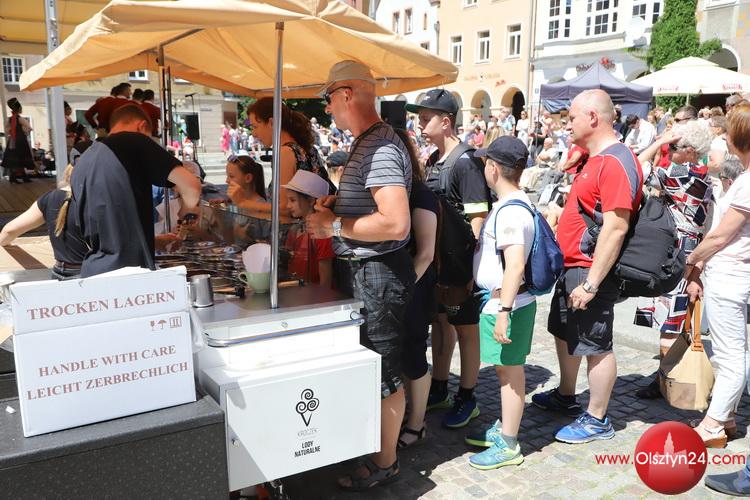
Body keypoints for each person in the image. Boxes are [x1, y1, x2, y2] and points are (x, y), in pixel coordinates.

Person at [305, 60, 415, 491]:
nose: (326, 107)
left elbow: (396, 224)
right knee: (375, 370)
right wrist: (339, 205)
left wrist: (333, 225)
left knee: (383, 373)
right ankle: (376, 452)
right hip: (369, 273)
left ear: (346, 94)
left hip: (377, 274)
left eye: (328, 98)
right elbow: (376, 209)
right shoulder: (369, 143)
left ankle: (386, 462)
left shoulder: (379, 147)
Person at [532, 89, 643, 444]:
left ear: (593, 117)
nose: (566, 126)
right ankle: (566, 395)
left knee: (595, 344)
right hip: (573, 266)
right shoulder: (596, 157)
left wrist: (592, 283)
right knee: (565, 331)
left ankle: (597, 418)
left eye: (572, 118)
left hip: (589, 268)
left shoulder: (614, 161)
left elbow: (616, 227)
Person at [406, 89, 491, 429]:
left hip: (459, 266)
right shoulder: (433, 160)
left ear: (446, 122)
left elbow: (478, 220)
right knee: (441, 326)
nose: (420, 123)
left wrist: (471, 272)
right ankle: (440, 387)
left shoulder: (466, 162)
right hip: (437, 264)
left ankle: (467, 397)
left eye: (426, 118)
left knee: (467, 331)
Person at [466, 136, 535, 470]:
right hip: (505, 301)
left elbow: (515, 265)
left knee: (509, 372)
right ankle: (506, 429)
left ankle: (509, 443)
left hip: (508, 303)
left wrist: (504, 312)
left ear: (493, 167)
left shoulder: (510, 211)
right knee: (505, 369)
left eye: (485, 164)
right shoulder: (512, 204)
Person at [632, 120, 713, 401]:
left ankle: (666, 383)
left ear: (690, 150)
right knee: (678, 318)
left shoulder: (680, 173)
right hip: (692, 249)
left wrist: (658, 142)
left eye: (674, 147)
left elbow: (636, 168)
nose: (670, 151)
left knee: (669, 321)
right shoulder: (706, 176)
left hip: (673, 251)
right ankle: (667, 378)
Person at [684, 104, 750, 452]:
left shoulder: (748, 183)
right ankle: (727, 418)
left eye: (728, 133)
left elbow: (721, 235)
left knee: (730, 355)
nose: (723, 138)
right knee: (731, 351)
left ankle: (712, 424)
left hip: (731, 275)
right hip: (728, 273)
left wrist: (691, 260)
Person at [72, 104, 201, 277]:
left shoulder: (84, 161)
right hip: (130, 275)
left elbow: (109, 232)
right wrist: (186, 212)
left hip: (93, 271)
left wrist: (151, 242)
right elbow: (191, 186)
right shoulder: (133, 141)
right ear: (142, 126)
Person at [396, 129, 439, 450]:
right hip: (396, 289)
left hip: (414, 289)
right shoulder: (394, 191)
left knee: (413, 356)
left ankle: (417, 423)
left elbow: (425, 253)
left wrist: (402, 290)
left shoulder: (420, 194)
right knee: (400, 357)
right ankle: (403, 416)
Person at [242, 97, 333, 217]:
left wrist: (243, 203)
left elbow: (285, 208)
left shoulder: (285, 152)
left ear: (272, 123)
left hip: (301, 227)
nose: (253, 133)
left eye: (255, 127)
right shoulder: (306, 148)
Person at [0, 165, 87, 280]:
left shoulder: (48, 198)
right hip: (88, 275)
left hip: (58, 273)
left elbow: (9, 230)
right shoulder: (93, 200)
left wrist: (3, 244)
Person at [283, 170, 334, 287]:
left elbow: (325, 281)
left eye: (293, 200)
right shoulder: (294, 230)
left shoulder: (322, 234)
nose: (288, 206)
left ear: (311, 201)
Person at [224, 154, 269, 244]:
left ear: (248, 178)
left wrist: (245, 237)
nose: (227, 181)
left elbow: (268, 243)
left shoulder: (262, 207)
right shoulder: (235, 203)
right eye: (227, 176)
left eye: (231, 176)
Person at [2, 98, 34, 184]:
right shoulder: (20, 119)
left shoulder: (10, 119)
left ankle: (17, 177)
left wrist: (12, 132)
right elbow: (29, 128)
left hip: (12, 141)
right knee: (20, 158)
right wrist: (24, 132)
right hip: (20, 141)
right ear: (19, 109)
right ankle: (18, 177)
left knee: (16, 159)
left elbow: (7, 130)